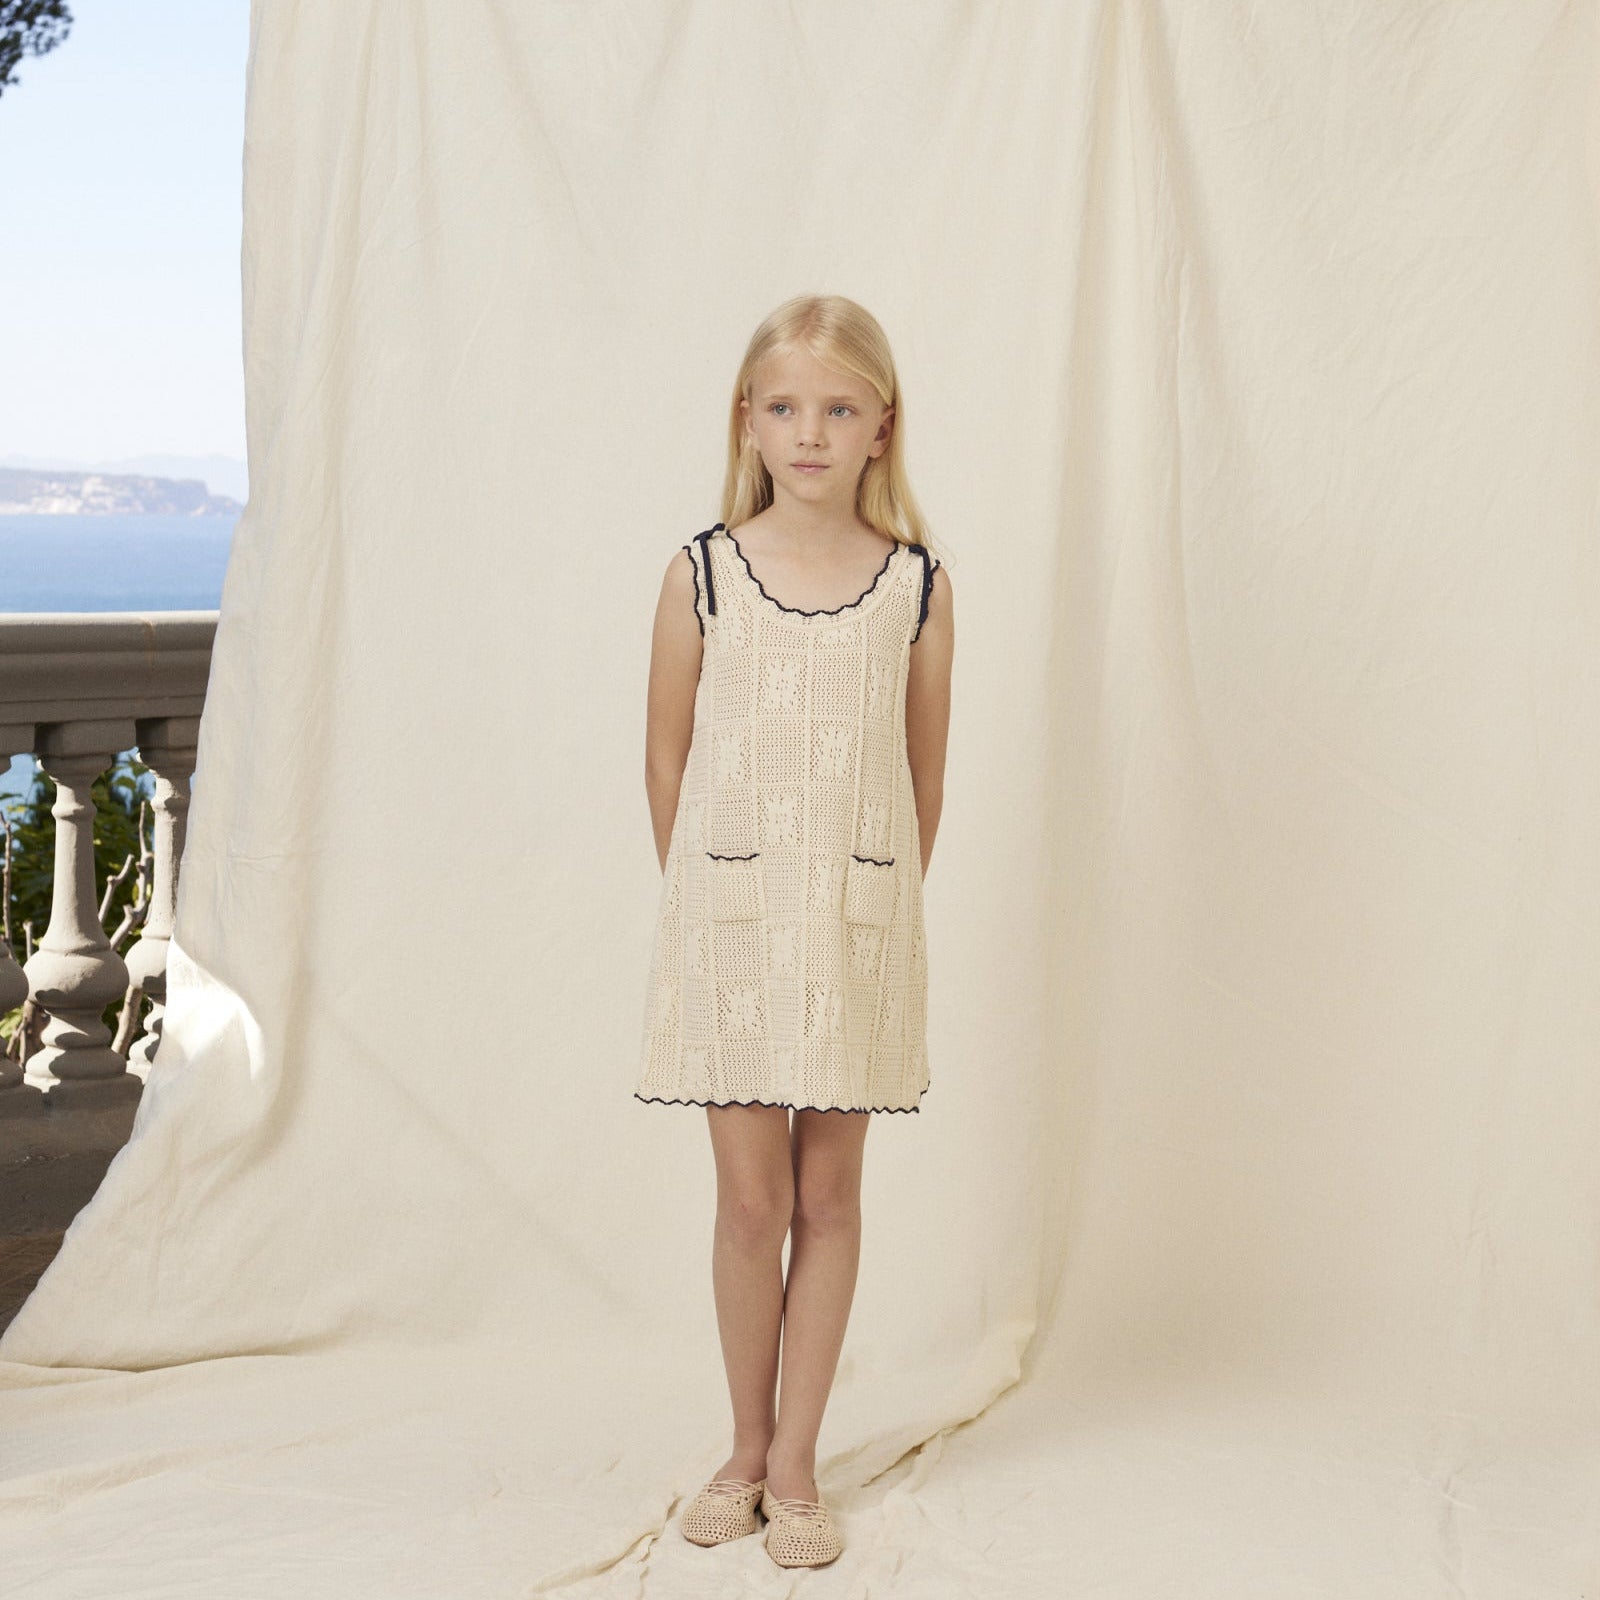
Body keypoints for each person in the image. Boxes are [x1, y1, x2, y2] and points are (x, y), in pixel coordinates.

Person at [635, 292, 954, 1569]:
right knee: (749, 1199)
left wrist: (871, 917)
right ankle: (741, 1444)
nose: (809, 432)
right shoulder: (702, 572)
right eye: (784, 407)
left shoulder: (915, 587)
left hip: (855, 932)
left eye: (836, 408)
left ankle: (796, 1462)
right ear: (748, 422)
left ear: (881, 426)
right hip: (729, 929)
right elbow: (666, 758)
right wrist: (708, 905)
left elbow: (922, 779)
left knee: (828, 1195)